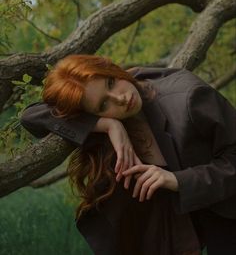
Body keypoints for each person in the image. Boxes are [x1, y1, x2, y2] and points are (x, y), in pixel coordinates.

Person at [20, 54, 236, 255]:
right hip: (170, 223)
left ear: (112, 69)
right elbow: (31, 116)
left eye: (111, 83)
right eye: (104, 104)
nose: (120, 98)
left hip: (225, 203)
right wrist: (107, 124)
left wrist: (178, 180)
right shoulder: (105, 118)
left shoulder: (190, 98)